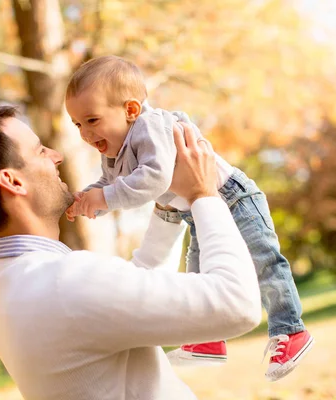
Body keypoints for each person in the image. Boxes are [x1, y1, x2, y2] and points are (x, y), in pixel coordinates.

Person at [0, 105, 262, 400]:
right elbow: (237, 305)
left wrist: (168, 206)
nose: (56, 155)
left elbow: (134, 292)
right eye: (40, 151)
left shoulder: (9, 289)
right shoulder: (63, 282)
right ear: (13, 181)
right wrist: (203, 194)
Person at [64, 55, 314, 381]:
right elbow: (108, 185)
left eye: (92, 120)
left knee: (264, 261)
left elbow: (154, 178)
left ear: (130, 110)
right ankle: (207, 341)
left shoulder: (149, 128)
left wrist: (107, 199)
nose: (84, 133)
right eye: (77, 124)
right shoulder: (114, 150)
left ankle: (290, 330)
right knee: (198, 275)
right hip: (195, 210)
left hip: (232, 198)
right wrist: (88, 199)